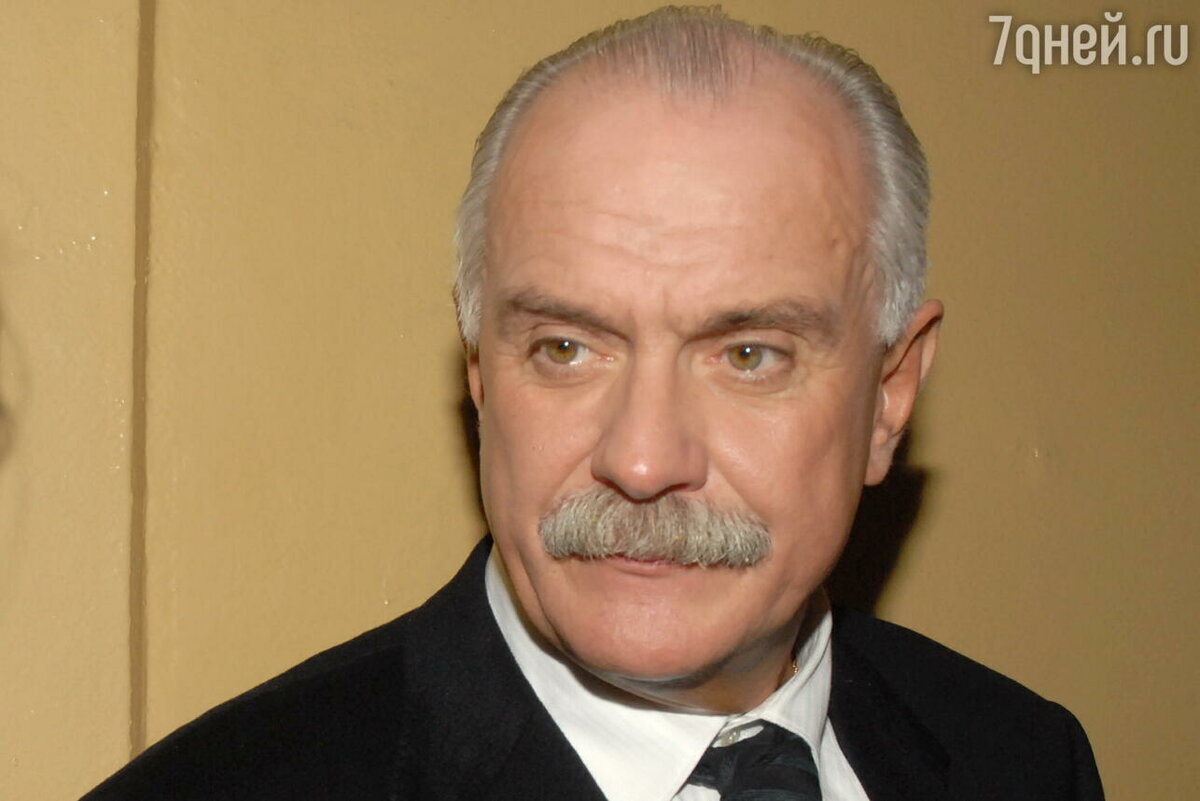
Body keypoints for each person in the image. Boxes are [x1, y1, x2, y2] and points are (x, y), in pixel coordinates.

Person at [84, 7, 1104, 800]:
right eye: (566, 349)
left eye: (748, 355)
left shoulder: (1019, 758)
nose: (643, 458)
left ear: (890, 393)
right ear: (481, 373)